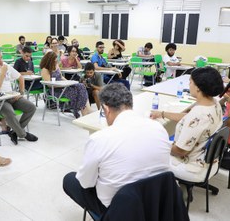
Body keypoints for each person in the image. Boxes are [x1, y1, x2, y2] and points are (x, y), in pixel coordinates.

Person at [63, 83, 171, 216]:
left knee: (70, 180)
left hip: (120, 211)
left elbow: (85, 183)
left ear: (106, 109)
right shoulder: (159, 128)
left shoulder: (99, 139)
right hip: (156, 204)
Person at [151, 67, 224, 182]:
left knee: (149, 152)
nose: (189, 85)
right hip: (209, 162)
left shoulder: (199, 114)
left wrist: (157, 145)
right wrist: (162, 114)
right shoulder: (214, 103)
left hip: (192, 167)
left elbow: (180, 151)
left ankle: (164, 191)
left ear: (198, 88)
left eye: (190, 82)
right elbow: (189, 118)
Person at [0, 47, 38, 145]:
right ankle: (23, 134)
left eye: (1, 57)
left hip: (11, 96)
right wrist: (2, 73)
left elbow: (20, 78)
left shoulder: (5, 65)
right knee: (10, 113)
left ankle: (15, 132)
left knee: (31, 107)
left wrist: (20, 93)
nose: (0, 61)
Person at [40, 52, 92, 118]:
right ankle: (84, 112)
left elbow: (61, 77)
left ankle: (86, 110)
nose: (56, 60)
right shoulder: (45, 69)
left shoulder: (56, 65)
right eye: (54, 59)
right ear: (49, 60)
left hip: (63, 87)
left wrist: (68, 82)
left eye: (56, 59)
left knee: (81, 86)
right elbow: (49, 85)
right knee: (77, 92)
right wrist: (63, 85)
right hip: (55, 90)